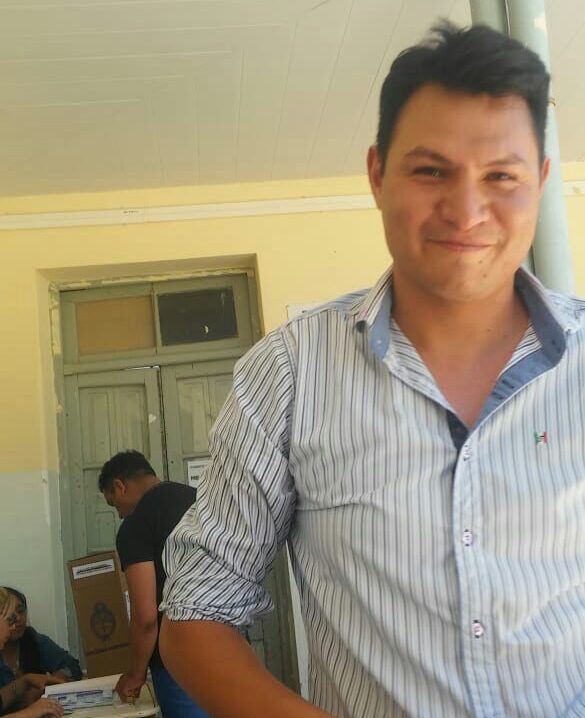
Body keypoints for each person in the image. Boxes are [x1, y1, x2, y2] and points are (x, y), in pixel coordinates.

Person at [157, 20, 585, 718]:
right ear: (377, 174)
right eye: (430, 170)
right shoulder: (290, 373)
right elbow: (195, 615)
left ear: (539, 182)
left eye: (501, 176)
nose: (466, 211)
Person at [98, 450, 209, 718]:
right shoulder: (202, 502)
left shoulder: (136, 525)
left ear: (119, 486)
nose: (119, 515)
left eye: (114, 505)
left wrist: (135, 675)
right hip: (233, 650)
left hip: (181, 663)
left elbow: (146, 617)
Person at [0, 588, 81, 694]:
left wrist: (50, 683)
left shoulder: (34, 639)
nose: (18, 618)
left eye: (20, 611)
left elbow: (72, 666)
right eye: (10, 617)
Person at [0, 588, 64, 718]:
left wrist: (25, 681)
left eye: (21, 611)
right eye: (10, 620)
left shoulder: (33, 639)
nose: (13, 626)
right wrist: (29, 712)